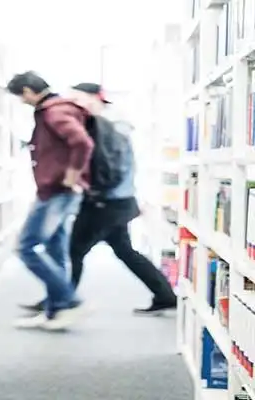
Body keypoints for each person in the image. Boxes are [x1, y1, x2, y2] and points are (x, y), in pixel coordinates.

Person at [20, 82, 178, 315]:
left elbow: (110, 168)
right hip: (117, 201)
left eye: (79, 98)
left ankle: (63, 300)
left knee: (74, 249)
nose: (75, 104)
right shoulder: (107, 124)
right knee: (124, 250)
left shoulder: (107, 127)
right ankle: (164, 295)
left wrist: (86, 186)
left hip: (106, 202)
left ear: (95, 98)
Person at [5, 71, 95, 330]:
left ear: (28, 92)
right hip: (59, 191)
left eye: (21, 97)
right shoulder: (59, 109)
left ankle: (71, 301)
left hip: (56, 191)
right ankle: (54, 311)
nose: (22, 102)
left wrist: (71, 176)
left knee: (26, 247)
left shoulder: (53, 112)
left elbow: (82, 143)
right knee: (55, 250)